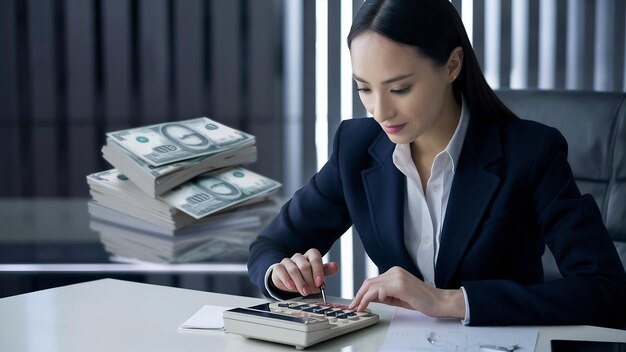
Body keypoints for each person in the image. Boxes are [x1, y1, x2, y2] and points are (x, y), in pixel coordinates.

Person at [247, 0, 626, 327]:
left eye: (400, 88)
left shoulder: (530, 152)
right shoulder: (356, 148)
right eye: (364, 88)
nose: (380, 111)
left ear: (452, 65)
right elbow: (271, 245)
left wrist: (447, 301)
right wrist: (281, 275)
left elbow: (605, 289)